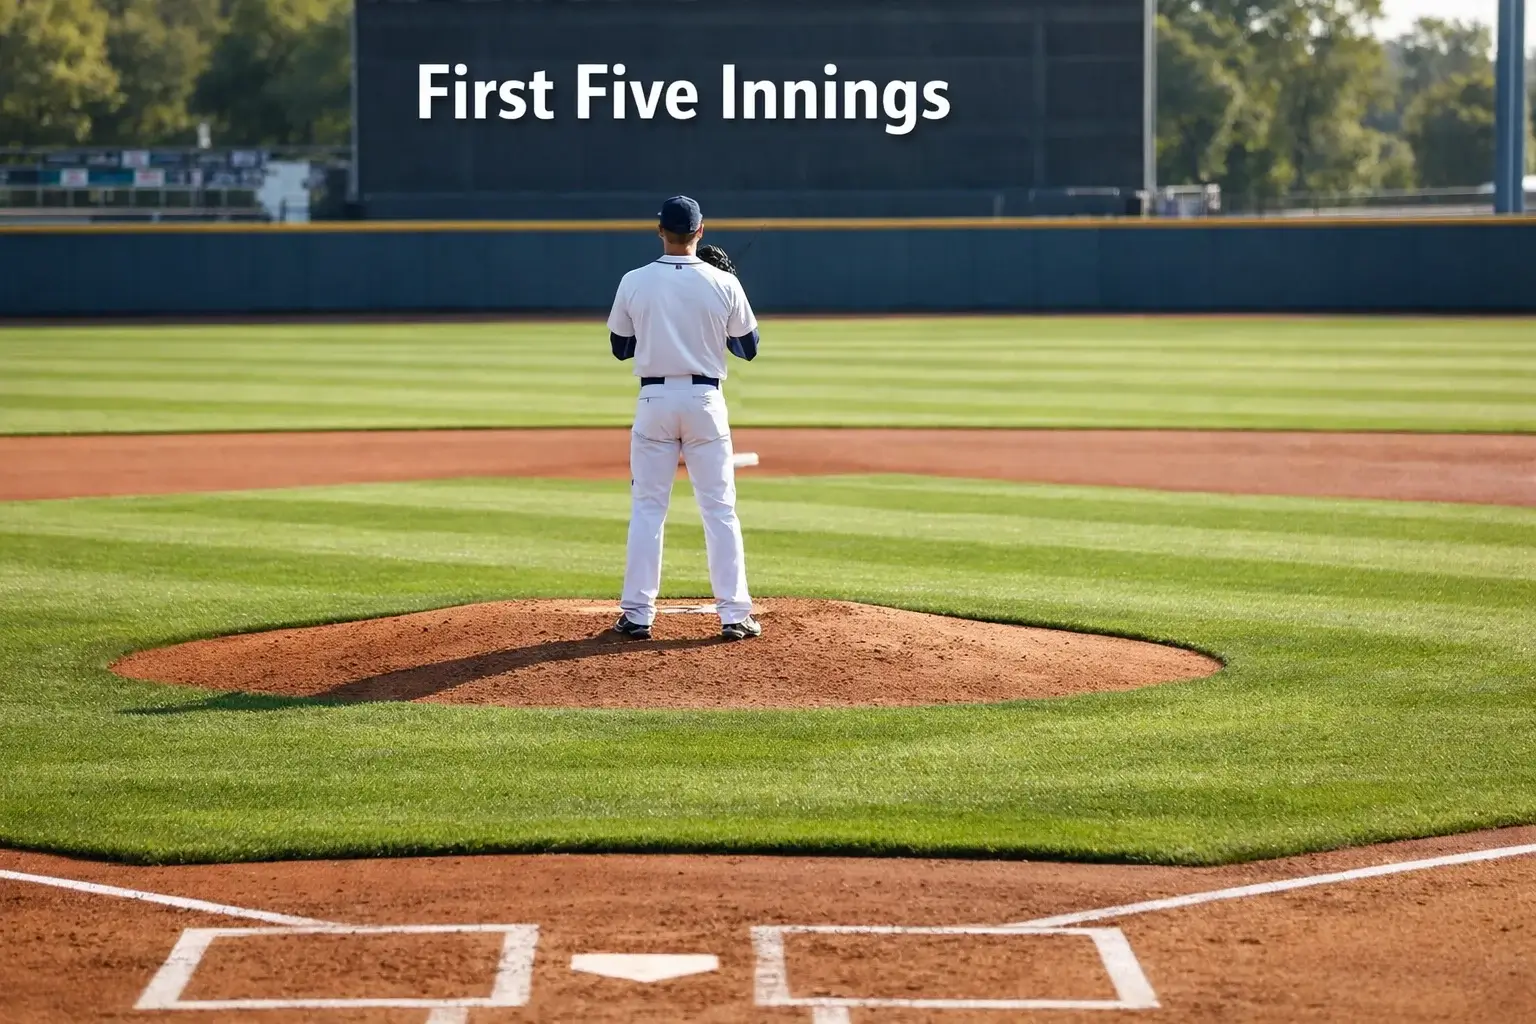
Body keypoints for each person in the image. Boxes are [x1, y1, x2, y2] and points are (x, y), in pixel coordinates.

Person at [606, 196, 763, 642]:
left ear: (659, 230)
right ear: (700, 231)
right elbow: (747, 347)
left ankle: (637, 615)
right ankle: (734, 615)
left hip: (653, 401)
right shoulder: (724, 283)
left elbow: (621, 348)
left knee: (647, 509)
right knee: (720, 510)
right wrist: (728, 288)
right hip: (705, 403)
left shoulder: (634, 280)